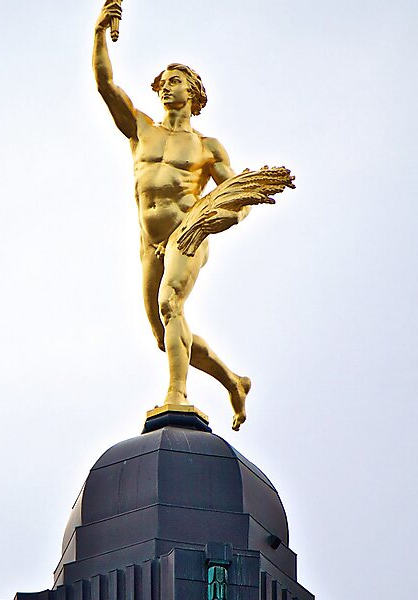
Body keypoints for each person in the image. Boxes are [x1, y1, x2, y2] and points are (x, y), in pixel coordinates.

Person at [93, 1, 293, 429]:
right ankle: (233, 381)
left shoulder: (207, 147)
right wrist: (98, 33)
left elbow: (239, 196)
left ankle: (176, 395)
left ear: (194, 92)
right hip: (149, 241)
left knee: (170, 304)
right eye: (163, 83)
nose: (166, 88)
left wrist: (222, 219)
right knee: (163, 334)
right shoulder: (142, 129)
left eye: (175, 81)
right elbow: (106, 85)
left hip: (188, 232)